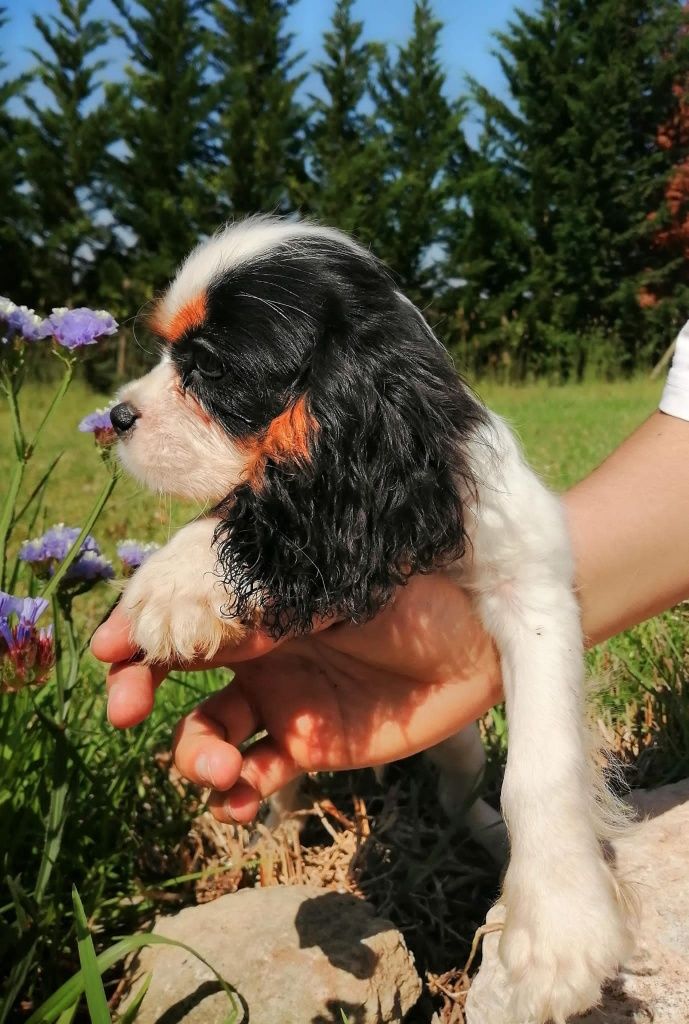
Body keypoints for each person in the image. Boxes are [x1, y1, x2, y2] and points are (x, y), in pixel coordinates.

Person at [91, 324, 689, 825]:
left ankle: (463, 806)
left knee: (461, 767)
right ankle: (292, 811)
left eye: (210, 370)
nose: (135, 399)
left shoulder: (439, 457)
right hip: (363, 671)